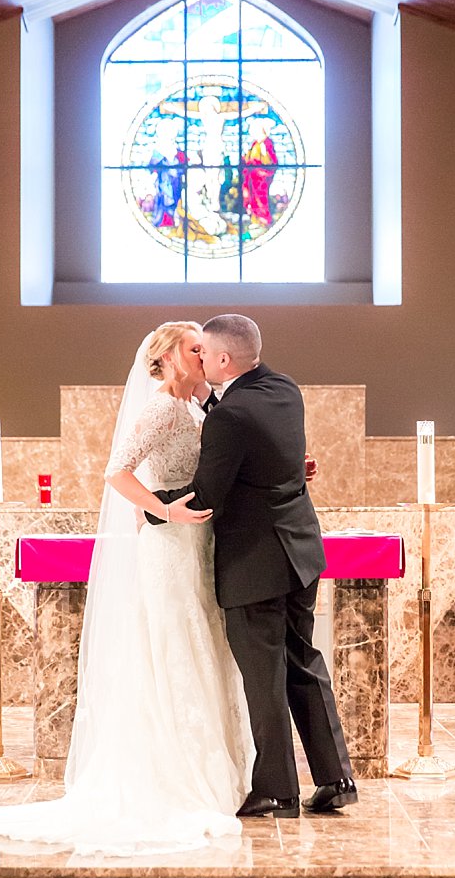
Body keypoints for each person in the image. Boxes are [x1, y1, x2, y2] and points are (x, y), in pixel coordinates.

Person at [0, 322, 256, 857]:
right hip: (168, 550)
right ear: (168, 358)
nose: (204, 354)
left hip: (197, 550)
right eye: (194, 348)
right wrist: (163, 509)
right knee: (172, 649)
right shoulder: (162, 409)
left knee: (202, 648)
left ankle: (212, 767)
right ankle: (176, 774)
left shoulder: (195, 409)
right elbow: (117, 473)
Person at [149, 314, 356, 817]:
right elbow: (267, 449)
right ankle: (336, 778)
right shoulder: (285, 389)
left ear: (223, 360)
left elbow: (208, 496)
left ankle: (278, 790)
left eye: (206, 354)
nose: (200, 360)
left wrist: (154, 507)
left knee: (263, 676)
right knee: (303, 662)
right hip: (300, 552)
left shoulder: (229, 417)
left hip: (254, 563)